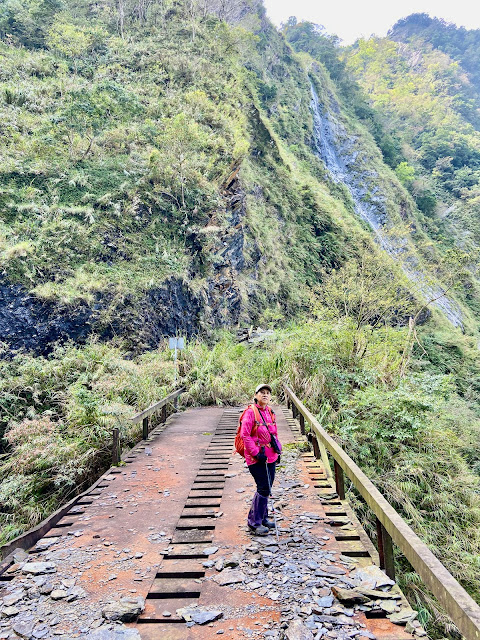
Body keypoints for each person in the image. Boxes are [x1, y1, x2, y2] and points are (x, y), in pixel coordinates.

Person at [241, 384, 282, 535]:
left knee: (267, 487)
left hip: (270, 455)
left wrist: (278, 450)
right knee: (263, 487)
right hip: (256, 458)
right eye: (262, 392)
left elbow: (274, 433)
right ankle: (254, 523)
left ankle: (263, 517)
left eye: (267, 393)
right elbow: (245, 435)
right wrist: (256, 453)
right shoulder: (250, 413)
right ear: (256, 395)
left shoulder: (270, 411)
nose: (265, 395)